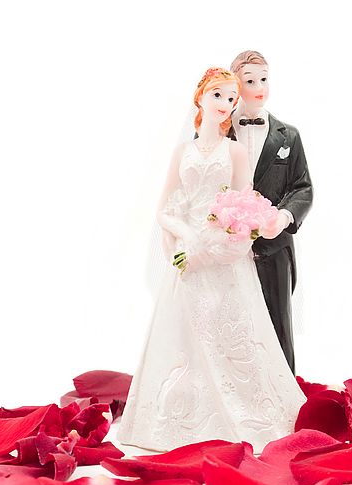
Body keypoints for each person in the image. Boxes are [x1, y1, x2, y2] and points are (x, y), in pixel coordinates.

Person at [116, 67, 306, 454]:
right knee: (185, 335)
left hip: (223, 256)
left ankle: (247, 412)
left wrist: (221, 240)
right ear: (200, 97)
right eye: (219, 95)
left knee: (234, 334)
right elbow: (166, 208)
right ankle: (180, 416)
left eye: (231, 99)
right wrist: (186, 236)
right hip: (189, 257)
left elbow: (244, 202)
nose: (226, 105)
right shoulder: (181, 152)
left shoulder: (234, 150)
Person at [230, 50, 313, 375]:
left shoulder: (288, 136)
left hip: (274, 246)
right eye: (249, 80)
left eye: (263, 79)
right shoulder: (219, 133)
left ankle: (283, 391)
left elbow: (303, 187)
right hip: (229, 247)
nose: (258, 87)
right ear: (235, 84)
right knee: (233, 321)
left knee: (277, 320)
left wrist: (282, 217)